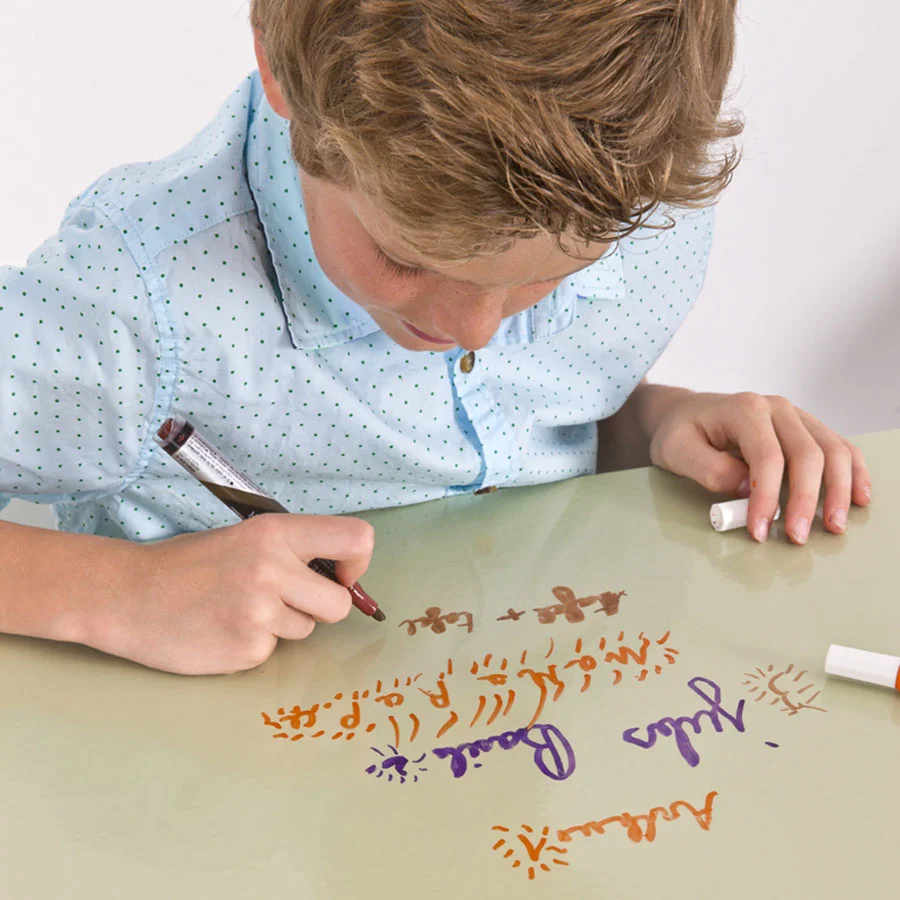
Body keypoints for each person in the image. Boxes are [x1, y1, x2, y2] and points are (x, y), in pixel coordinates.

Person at [0, 1, 870, 675]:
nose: (474, 328)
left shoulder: (645, 189)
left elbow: (510, 421)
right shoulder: (130, 305)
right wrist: (121, 593)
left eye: (552, 275)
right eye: (405, 259)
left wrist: (651, 427)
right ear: (280, 71)